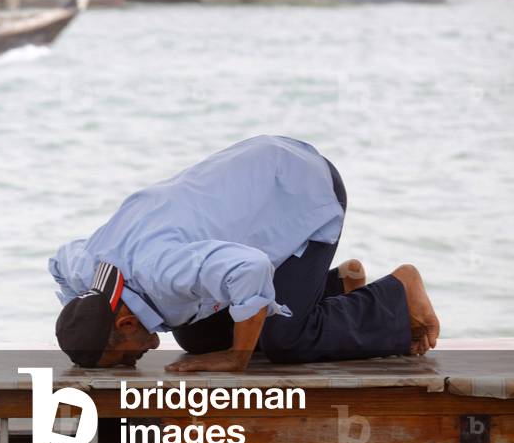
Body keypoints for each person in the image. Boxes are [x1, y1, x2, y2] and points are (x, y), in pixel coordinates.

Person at [51, 136, 440, 372]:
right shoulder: (87, 271)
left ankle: (397, 293)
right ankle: (336, 286)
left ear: (124, 323)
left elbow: (250, 267)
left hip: (298, 191)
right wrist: (84, 311)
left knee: (288, 340)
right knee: (198, 336)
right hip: (255, 183)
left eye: (126, 359)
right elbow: (57, 261)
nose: (136, 360)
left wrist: (236, 358)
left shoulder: (163, 270)